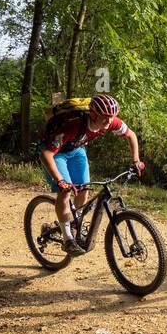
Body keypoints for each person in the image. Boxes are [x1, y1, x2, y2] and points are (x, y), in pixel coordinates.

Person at [37, 94, 143, 254]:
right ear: (93, 114)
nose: (108, 122)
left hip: (75, 149)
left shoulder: (110, 121)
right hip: (54, 153)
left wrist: (136, 160)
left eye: (111, 117)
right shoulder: (73, 125)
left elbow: (131, 135)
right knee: (65, 192)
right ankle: (68, 239)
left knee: (84, 190)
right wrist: (60, 180)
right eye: (105, 118)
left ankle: (73, 224)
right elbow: (46, 154)